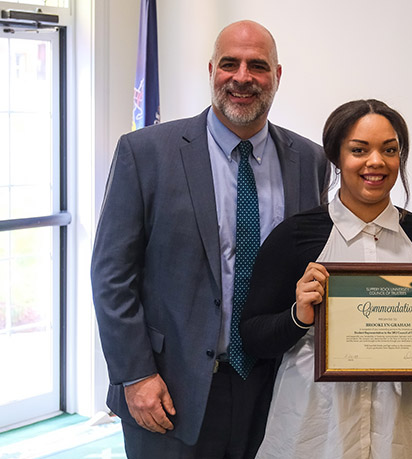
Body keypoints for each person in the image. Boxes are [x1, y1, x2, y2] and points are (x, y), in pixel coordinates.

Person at [90, 20, 330, 458]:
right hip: (168, 391)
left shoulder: (308, 161)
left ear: (277, 76)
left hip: (272, 388)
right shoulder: (145, 153)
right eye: (229, 64)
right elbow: (111, 276)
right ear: (211, 71)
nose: (242, 77)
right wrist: (136, 374)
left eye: (258, 66)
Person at [240, 99, 412, 459]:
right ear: (337, 157)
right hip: (315, 429)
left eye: (389, 150)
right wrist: (298, 316)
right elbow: (253, 337)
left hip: (404, 431)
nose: (376, 162)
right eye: (359, 150)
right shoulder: (295, 237)